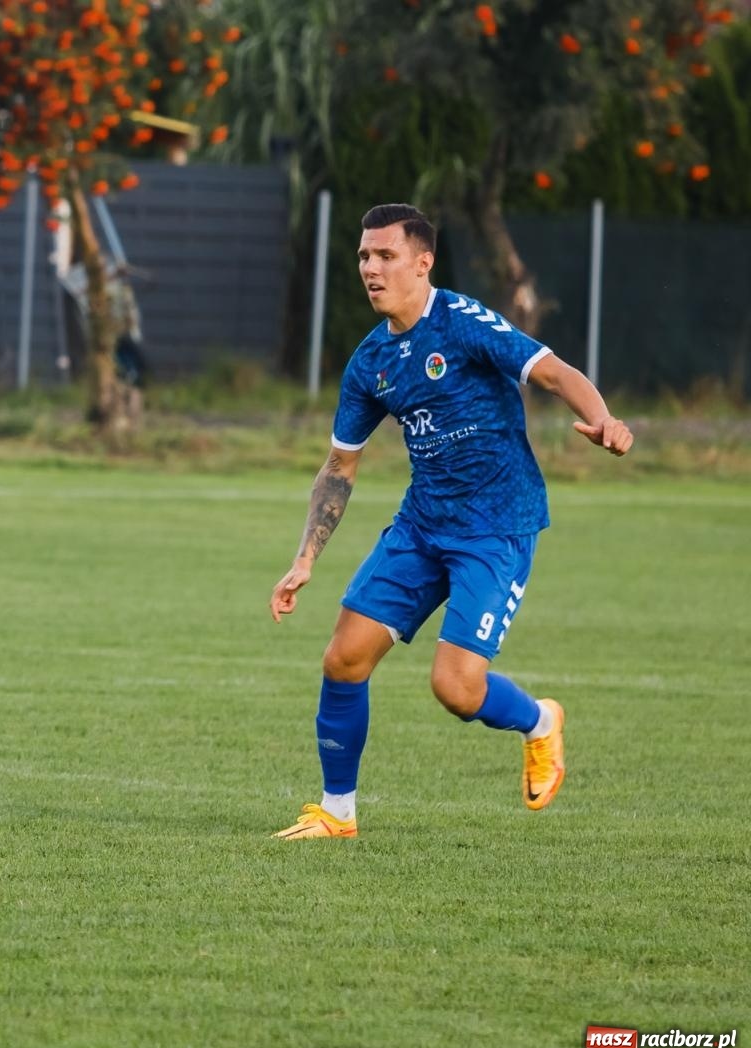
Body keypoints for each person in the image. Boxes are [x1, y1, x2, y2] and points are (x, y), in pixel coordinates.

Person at [268, 204, 632, 840]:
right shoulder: (371, 362)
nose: (371, 269)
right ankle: (337, 813)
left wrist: (603, 419)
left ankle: (541, 721)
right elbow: (339, 468)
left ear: (422, 262)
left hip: (496, 526)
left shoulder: (464, 324)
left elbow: (551, 371)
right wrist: (305, 558)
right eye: (363, 256)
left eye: (385, 256)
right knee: (344, 660)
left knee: (456, 689)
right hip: (423, 524)